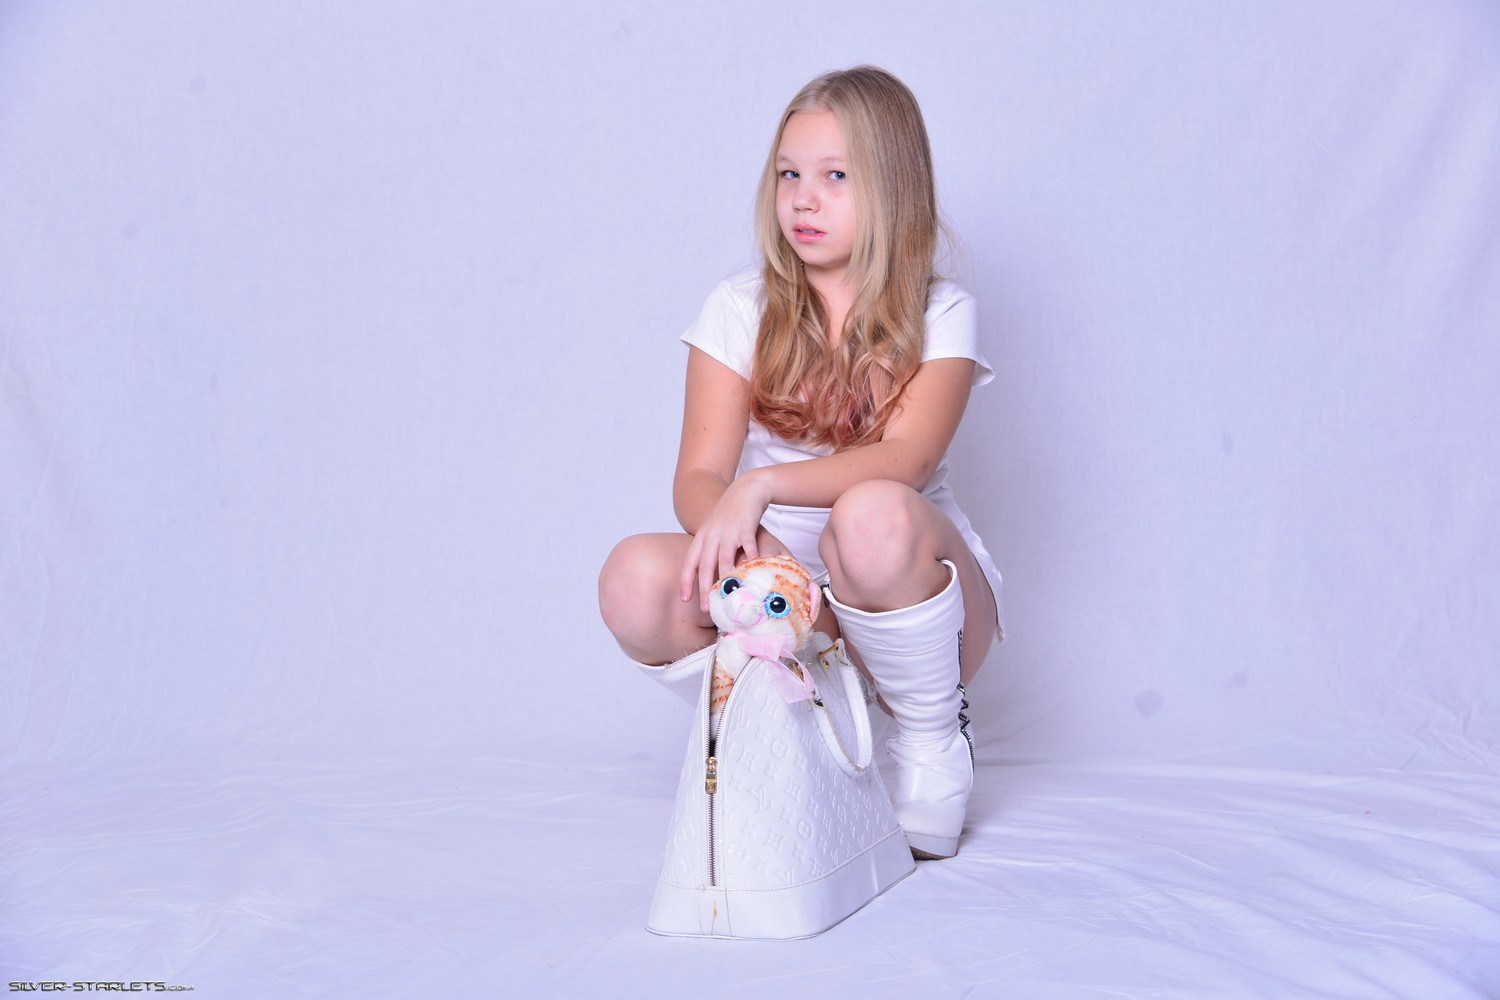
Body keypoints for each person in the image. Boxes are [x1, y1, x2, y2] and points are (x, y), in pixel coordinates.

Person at [597, 66, 1003, 860]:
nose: (803, 200)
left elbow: (907, 459)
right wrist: (764, 557)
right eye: (789, 175)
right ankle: (802, 725)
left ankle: (930, 737)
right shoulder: (738, 305)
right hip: (782, 581)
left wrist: (764, 485)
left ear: (893, 188)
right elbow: (698, 478)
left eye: (835, 177)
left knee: (871, 513)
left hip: (911, 587)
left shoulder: (942, 311)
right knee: (632, 578)